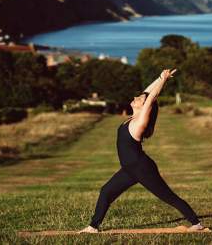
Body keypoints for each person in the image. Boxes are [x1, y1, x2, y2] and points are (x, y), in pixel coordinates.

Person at [78, 69, 205, 233]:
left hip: (142, 168)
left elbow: (151, 97)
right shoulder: (131, 118)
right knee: (106, 191)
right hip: (130, 169)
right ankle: (93, 226)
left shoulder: (140, 121)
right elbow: (147, 93)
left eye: (139, 99)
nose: (135, 98)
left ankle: (196, 223)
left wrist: (164, 81)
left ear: (145, 106)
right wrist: (159, 77)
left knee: (168, 196)